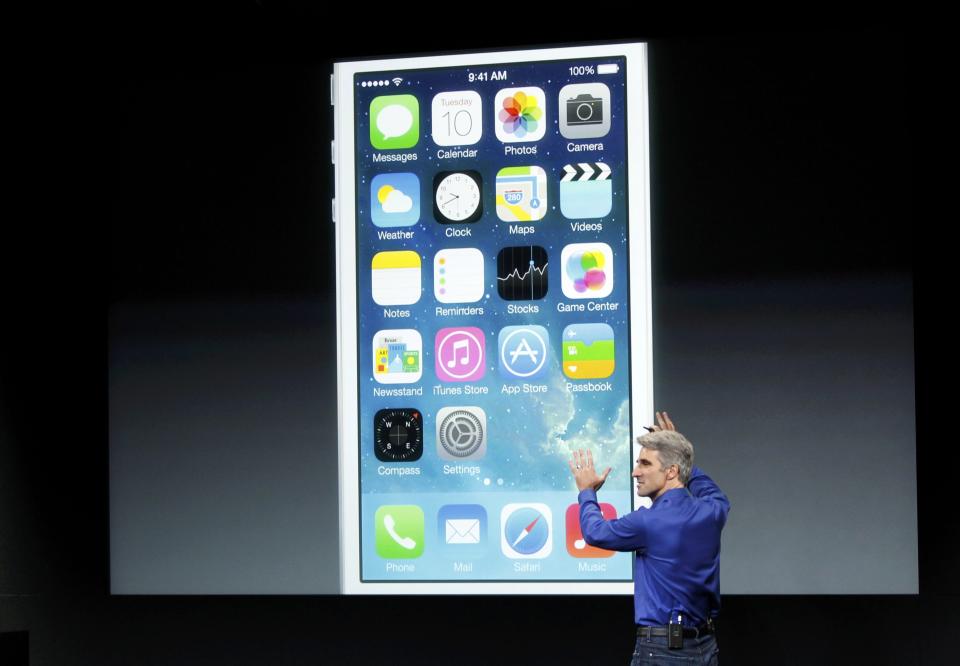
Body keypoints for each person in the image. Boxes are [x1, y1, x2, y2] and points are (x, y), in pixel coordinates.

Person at [569, 411, 730, 665]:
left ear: (671, 472)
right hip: (706, 649)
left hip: (663, 651)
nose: (635, 472)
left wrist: (587, 492)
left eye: (645, 464)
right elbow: (707, 488)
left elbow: (594, 532)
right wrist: (680, 450)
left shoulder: (647, 522)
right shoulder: (714, 509)